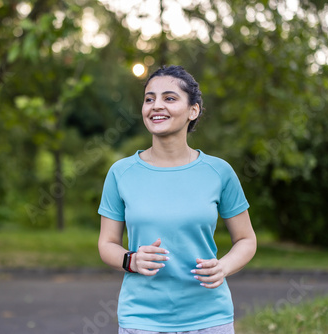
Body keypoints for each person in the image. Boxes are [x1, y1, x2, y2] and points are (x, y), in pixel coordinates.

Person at [97, 65, 257, 334]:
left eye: (169, 98)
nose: (156, 106)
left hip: (209, 318)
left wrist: (223, 266)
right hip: (142, 319)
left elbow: (246, 239)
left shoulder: (219, 172)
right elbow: (107, 243)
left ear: (193, 111)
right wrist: (131, 260)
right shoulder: (121, 173)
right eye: (150, 99)